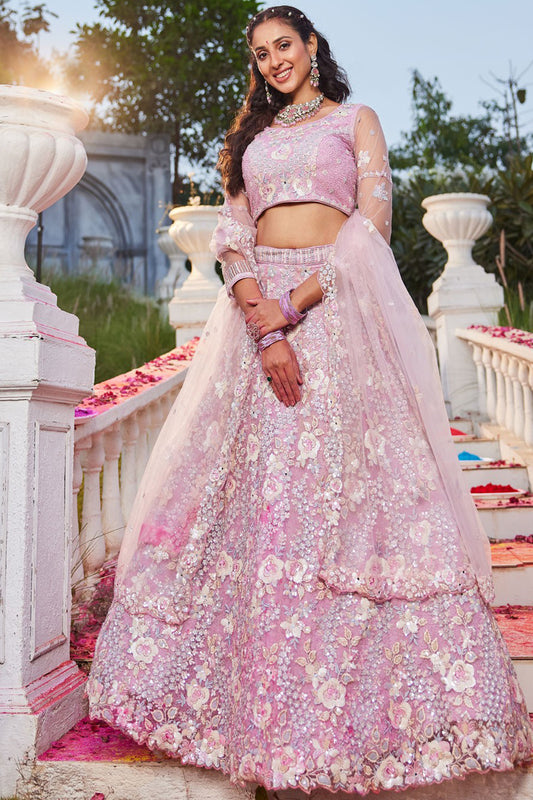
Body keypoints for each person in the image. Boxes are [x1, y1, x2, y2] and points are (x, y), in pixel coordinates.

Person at [87, 5, 532, 795]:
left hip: (336, 320)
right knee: (265, 506)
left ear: (312, 45)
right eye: (260, 54)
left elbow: (370, 231)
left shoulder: (355, 120)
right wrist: (262, 322)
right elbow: (230, 236)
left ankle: (379, 722)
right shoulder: (248, 142)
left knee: (350, 505)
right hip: (256, 334)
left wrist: (292, 307)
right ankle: (254, 717)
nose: (273, 62)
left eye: (282, 46)